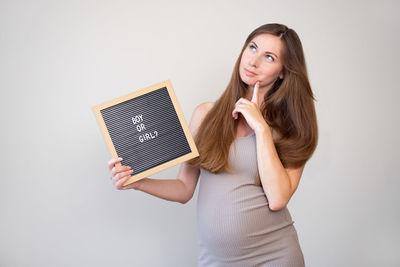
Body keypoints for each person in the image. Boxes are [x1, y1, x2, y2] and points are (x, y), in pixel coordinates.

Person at [108, 23, 318, 267]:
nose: (253, 61)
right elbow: (184, 189)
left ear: (283, 71)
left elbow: (278, 199)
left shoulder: (292, 128)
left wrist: (261, 128)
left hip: (276, 255)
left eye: (269, 57)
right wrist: (138, 182)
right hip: (217, 260)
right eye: (252, 48)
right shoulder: (205, 115)